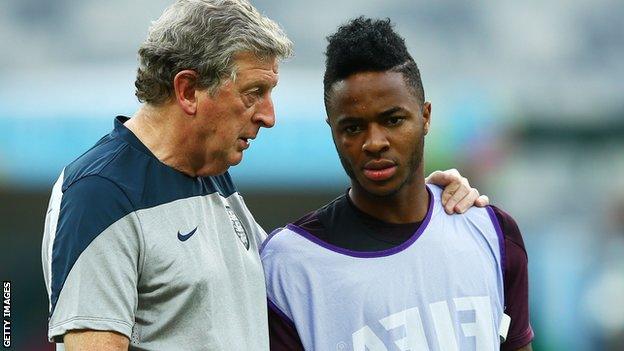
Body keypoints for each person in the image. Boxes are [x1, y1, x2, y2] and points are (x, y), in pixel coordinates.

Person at [41, 1, 488, 350]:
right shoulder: (100, 194)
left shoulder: (209, 175)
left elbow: (304, 266)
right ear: (188, 90)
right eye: (254, 93)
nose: (269, 117)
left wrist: (418, 205)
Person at [261, 17, 533, 351]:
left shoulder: (491, 231)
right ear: (332, 129)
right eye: (353, 128)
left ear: (426, 116)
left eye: (393, 120)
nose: (374, 142)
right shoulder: (289, 263)